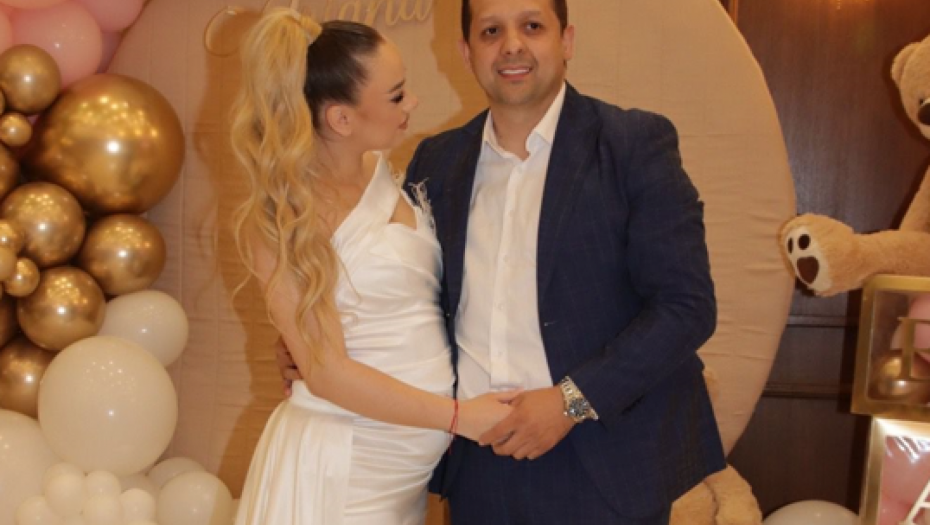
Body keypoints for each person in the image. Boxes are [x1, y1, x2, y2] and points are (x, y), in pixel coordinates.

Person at [278, 0, 726, 522]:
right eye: (491, 31)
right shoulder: (436, 160)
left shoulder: (633, 144)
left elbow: (687, 307)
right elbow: (405, 292)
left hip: (605, 460)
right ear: (467, 52)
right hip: (478, 465)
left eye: (532, 26)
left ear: (567, 40)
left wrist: (570, 402)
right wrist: (310, 339)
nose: (512, 45)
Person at [229, 7, 514, 525]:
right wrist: (458, 417)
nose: (413, 103)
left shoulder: (389, 174)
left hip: (402, 467)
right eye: (397, 96)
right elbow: (327, 372)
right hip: (347, 463)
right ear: (341, 119)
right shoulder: (283, 216)